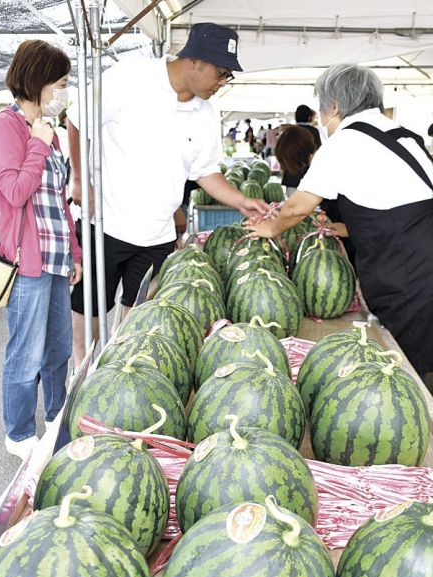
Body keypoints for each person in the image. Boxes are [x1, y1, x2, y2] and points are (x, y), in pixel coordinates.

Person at [68, 22, 268, 367]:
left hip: (158, 235)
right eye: (221, 74)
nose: (222, 84)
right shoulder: (129, 78)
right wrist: (78, 177)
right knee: (91, 305)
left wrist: (242, 201)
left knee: (139, 313)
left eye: (228, 77)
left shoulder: (205, 114)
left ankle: (120, 372)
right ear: (195, 61)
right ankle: (82, 372)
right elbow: (77, 119)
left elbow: (206, 172)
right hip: (107, 222)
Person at [244, 63, 433, 381]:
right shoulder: (404, 135)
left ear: (333, 106)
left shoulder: (344, 143)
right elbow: (400, 201)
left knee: (404, 371)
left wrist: (269, 227)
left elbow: (297, 208)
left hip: (406, 278)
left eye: (321, 111)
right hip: (422, 261)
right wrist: (352, 227)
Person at [0, 40, 82, 459]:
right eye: (60, 83)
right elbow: (14, 191)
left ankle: (57, 418)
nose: (63, 92)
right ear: (38, 82)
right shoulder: (5, 128)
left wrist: (76, 252)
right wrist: (39, 143)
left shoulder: (52, 134)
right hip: (27, 261)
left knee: (59, 348)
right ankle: (19, 433)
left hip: (57, 256)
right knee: (26, 351)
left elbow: (60, 200)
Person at [275, 124, 355, 265]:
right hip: (348, 230)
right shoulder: (324, 159)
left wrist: (271, 227)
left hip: (357, 234)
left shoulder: (323, 166)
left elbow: (295, 210)